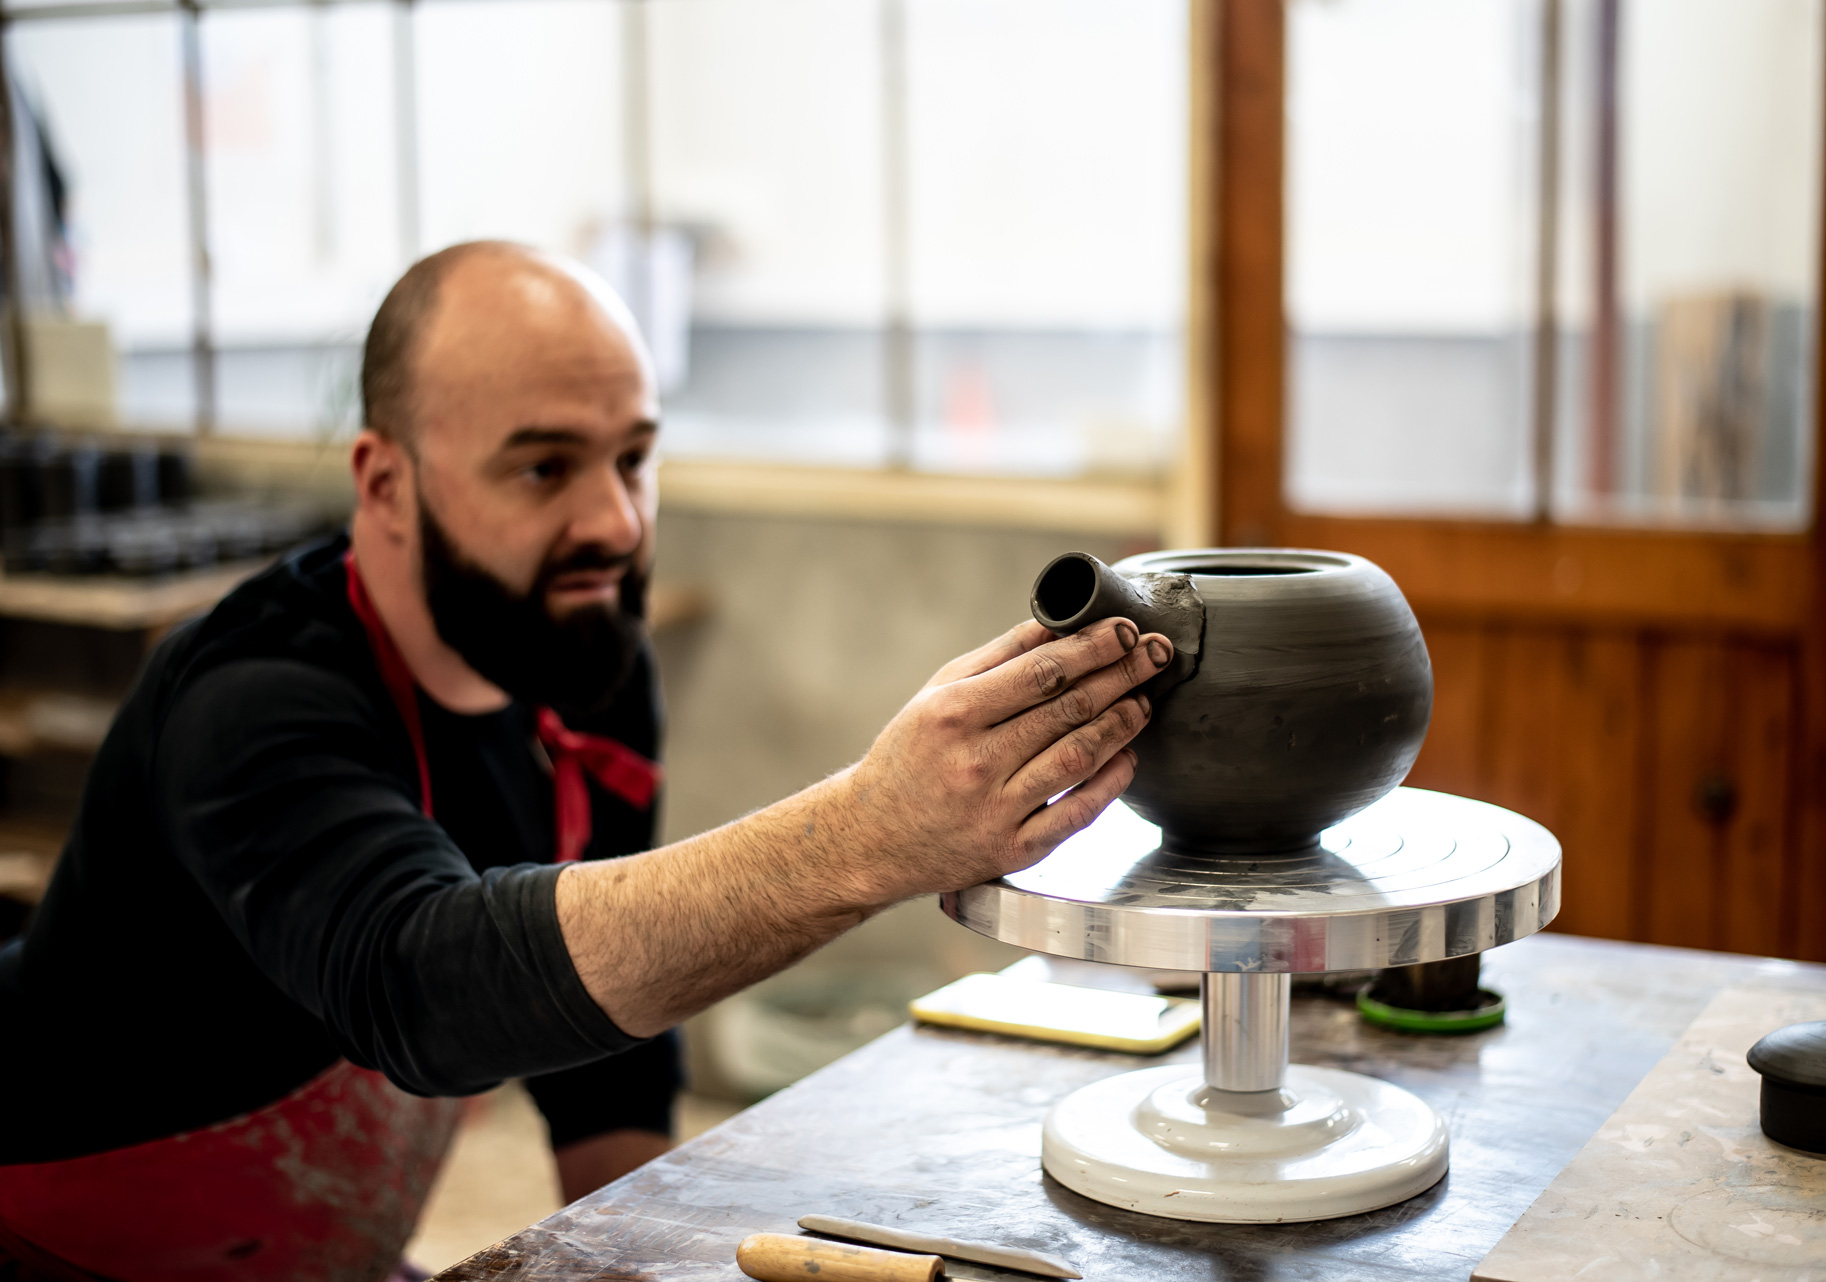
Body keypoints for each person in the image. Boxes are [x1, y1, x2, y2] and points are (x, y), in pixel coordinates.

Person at [0, 242, 1168, 1281]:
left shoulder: (582, 658)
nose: (614, 521)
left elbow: (598, 1064)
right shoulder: (252, 699)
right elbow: (421, 983)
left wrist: (631, 1251)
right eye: (543, 468)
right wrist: (867, 834)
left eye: (634, 457)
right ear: (385, 483)